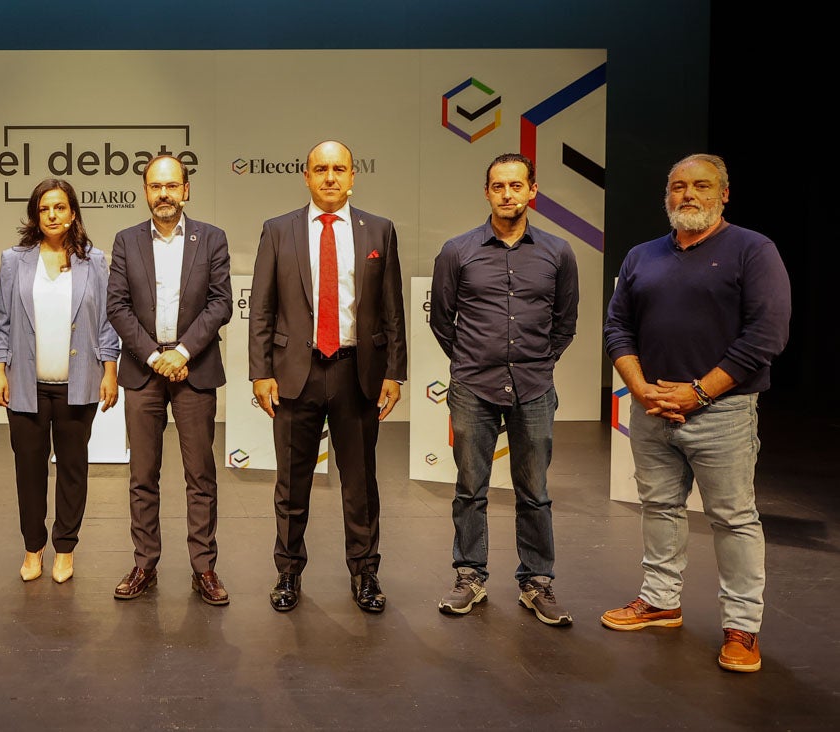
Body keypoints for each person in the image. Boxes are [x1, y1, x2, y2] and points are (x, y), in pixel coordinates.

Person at [601, 153, 791, 672]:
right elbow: (617, 327)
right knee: (660, 507)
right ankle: (661, 601)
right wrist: (640, 389)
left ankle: (741, 628)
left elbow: (766, 336)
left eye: (701, 186)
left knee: (732, 518)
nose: (687, 195)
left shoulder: (753, 250)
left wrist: (698, 394)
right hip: (652, 409)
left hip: (722, 413)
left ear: (723, 194)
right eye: (678, 186)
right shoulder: (641, 256)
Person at [248, 140, 407, 613]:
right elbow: (262, 307)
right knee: (292, 485)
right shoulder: (278, 230)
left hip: (357, 373)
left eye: (340, 169)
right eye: (321, 169)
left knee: (360, 485)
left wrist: (394, 371)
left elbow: (392, 309)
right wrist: (261, 371)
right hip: (295, 374)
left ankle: (365, 574)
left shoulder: (379, 230)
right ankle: (289, 574)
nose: (331, 178)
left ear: (353, 175)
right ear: (306, 176)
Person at [429, 153, 579, 625]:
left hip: (533, 387)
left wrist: (539, 361)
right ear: (487, 192)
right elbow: (441, 319)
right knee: (470, 488)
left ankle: (537, 581)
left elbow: (565, 322)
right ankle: (469, 575)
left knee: (534, 490)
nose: (508, 194)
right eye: (499, 186)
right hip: (473, 386)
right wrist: (472, 360)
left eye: (517, 186)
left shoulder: (559, 252)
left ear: (532, 190)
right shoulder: (458, 250)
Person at [106, 155, 233, 604]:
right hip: (144, 373)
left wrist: (180, 352)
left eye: (172, 185)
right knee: (143, 475)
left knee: (200, 474)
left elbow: (221, 303)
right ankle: (145, 564)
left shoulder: (211, 239)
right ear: (145, 192)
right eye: (155, 186)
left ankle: (204, 568)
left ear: (186, 190)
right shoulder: (126, 241)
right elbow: (116, 307)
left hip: (194, 369)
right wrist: (154, 356)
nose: (164, 193)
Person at [0, 179, 120, 584]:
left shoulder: (94, 261)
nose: (52, 215)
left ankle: (65, 549)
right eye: (44, 209)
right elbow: (0, 321)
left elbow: (106, 321)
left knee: (74, 469)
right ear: (35, 214)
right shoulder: (14, 260)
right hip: (26, 385)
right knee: (29, 471)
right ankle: (33, 548)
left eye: (60, 207)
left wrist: (110, 371)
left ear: (73, 213)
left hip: (78, 385)